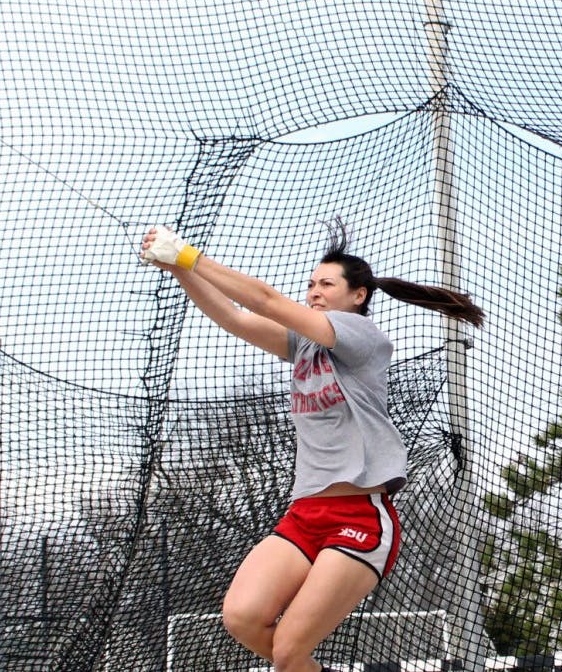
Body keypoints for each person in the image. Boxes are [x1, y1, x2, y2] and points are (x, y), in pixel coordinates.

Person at [140, 219, 483, 672]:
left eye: (326, 283)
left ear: (358, 295)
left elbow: (265, 301)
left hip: (358, 517)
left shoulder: (362, 337)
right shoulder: (305, 344)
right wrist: (179, 270)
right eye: (311, 284)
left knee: (287, 651)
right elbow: (234, 317)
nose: (315, 290)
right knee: (242, 619)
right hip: (304, 515)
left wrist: (189, 255)